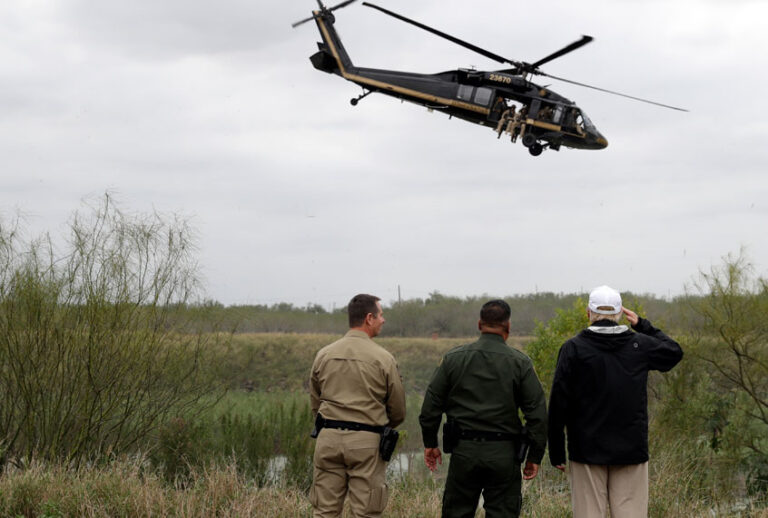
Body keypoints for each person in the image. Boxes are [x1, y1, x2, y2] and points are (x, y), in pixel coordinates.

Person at [548, 285, 683, 518]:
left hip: (586, 450)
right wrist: (642, 324)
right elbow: (674, 352)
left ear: (589, 314)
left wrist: (557, 451)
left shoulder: (573, 348)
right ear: (620, 313)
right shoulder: (639, 345)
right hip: (631, 449)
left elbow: (559, 402)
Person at [419, 299, 548, 518]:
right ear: (508, 326)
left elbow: (430, 407)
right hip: (504, 455)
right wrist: (534, 457)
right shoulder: (520, 363)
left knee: (456, 513)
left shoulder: (453, 359)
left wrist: (430, 443)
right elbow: (537, 415)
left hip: (464, 452)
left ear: (479, 324)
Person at [309, 294, 406, 518]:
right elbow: (398, 410)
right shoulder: (384, 358)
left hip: (328, 439)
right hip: (367, 442)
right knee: (365, 512)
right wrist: (375, 426)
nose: (384, 320)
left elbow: (315, 401)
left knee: (324, 512)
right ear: (369, 318)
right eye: (381, 315)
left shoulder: (323, 354)